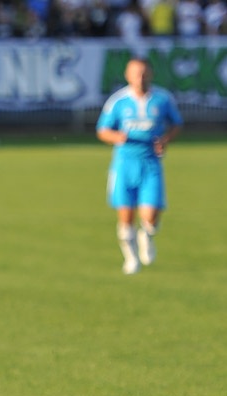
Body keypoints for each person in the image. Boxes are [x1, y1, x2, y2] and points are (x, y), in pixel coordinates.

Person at [96, 57, 182, 275]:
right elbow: (102, 130)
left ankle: (148, 235)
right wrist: (117, 136)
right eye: (135, 73)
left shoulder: (162, 99)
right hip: (124, 165)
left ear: (150, 74)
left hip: (150, 164)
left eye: (143, 73)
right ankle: (131, 258)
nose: (140, 78)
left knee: (151, 216)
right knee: (126, 217)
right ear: (127, 75)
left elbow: (176, 124)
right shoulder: (118, 102)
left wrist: (164, 140)